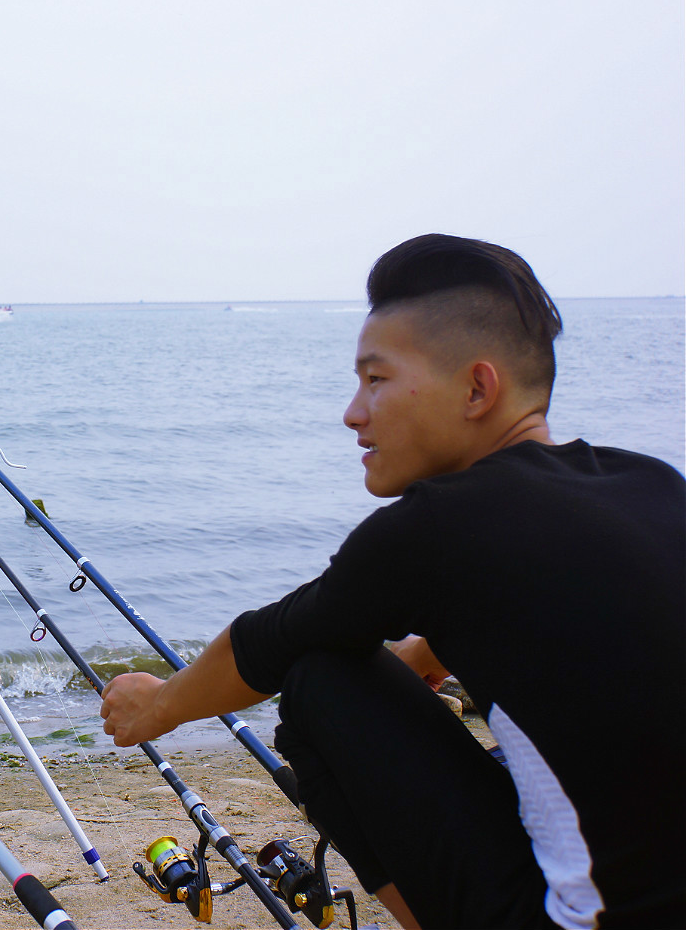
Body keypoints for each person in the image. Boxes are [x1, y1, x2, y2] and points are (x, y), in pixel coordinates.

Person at [99, 234, 685, 930]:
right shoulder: (651, 483)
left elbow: (267, 645)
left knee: (318, 677)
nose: (353, 412)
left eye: (375, 380)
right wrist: (422, 659)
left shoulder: (438, 525)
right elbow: (566, 614)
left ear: (476, 387)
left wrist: (160, 705)